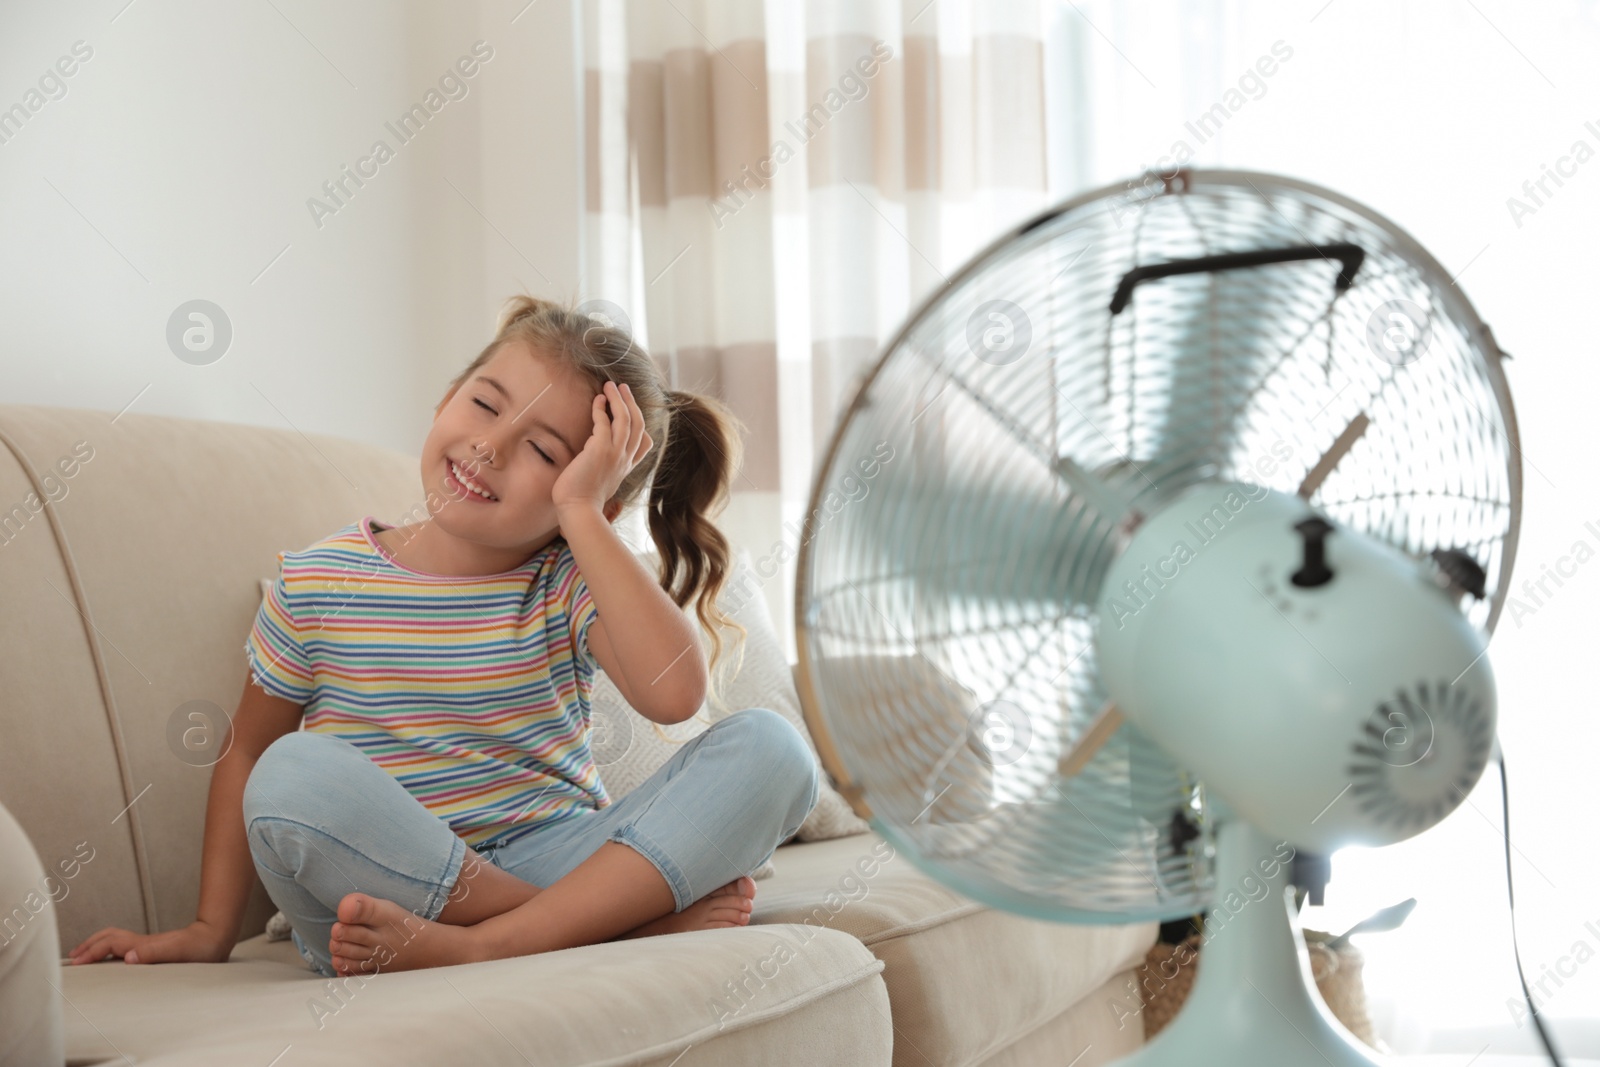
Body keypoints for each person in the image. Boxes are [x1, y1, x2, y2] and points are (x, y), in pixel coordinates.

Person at [67, 295, 819, 978]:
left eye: (547, 452)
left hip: (554, 854)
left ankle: (489, 941)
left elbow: (676, 694)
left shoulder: (567, 580)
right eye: (485, 404)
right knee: (290, 773)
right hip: (373, 883)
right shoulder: (318, 581)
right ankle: (600, 924)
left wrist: (584, 520)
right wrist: (208, 927)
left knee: (776, 750)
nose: (490, 448)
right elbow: (250, 753)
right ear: (444, 398)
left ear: (591, 491)